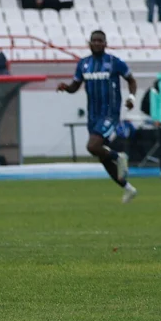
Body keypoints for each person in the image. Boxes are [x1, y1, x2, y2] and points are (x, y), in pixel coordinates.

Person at [56, 30, 139, 203]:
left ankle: (119, 157)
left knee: (93, 146)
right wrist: (66, 87)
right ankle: (128, 188)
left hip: (110, 113)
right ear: (89, 43)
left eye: (100, 41)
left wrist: (131, 98)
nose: (97, 43)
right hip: (93, 115)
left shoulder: (114, 62)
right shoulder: (84, 64)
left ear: (105, 43)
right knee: (102, 157)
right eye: (94, 40)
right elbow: (75, 87)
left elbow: (131, 80)